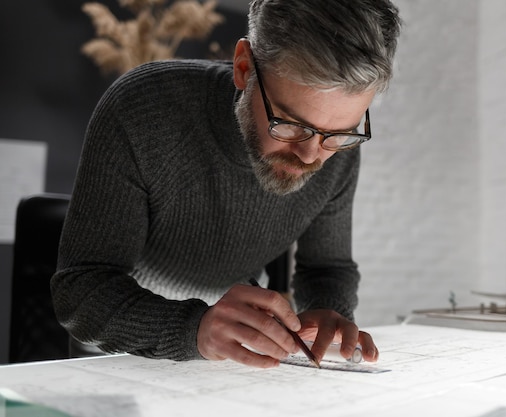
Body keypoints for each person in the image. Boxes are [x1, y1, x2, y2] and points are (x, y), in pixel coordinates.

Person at [51, 0, 401, 368]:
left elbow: (327, 268)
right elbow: (80, 291)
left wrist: (328, 310)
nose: (312, 155)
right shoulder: (143, 109)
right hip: (119, 356)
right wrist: (196, 328)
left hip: (237, 355)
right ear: (244, 67)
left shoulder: (335, 149)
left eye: (340, 132)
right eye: (292, 124)